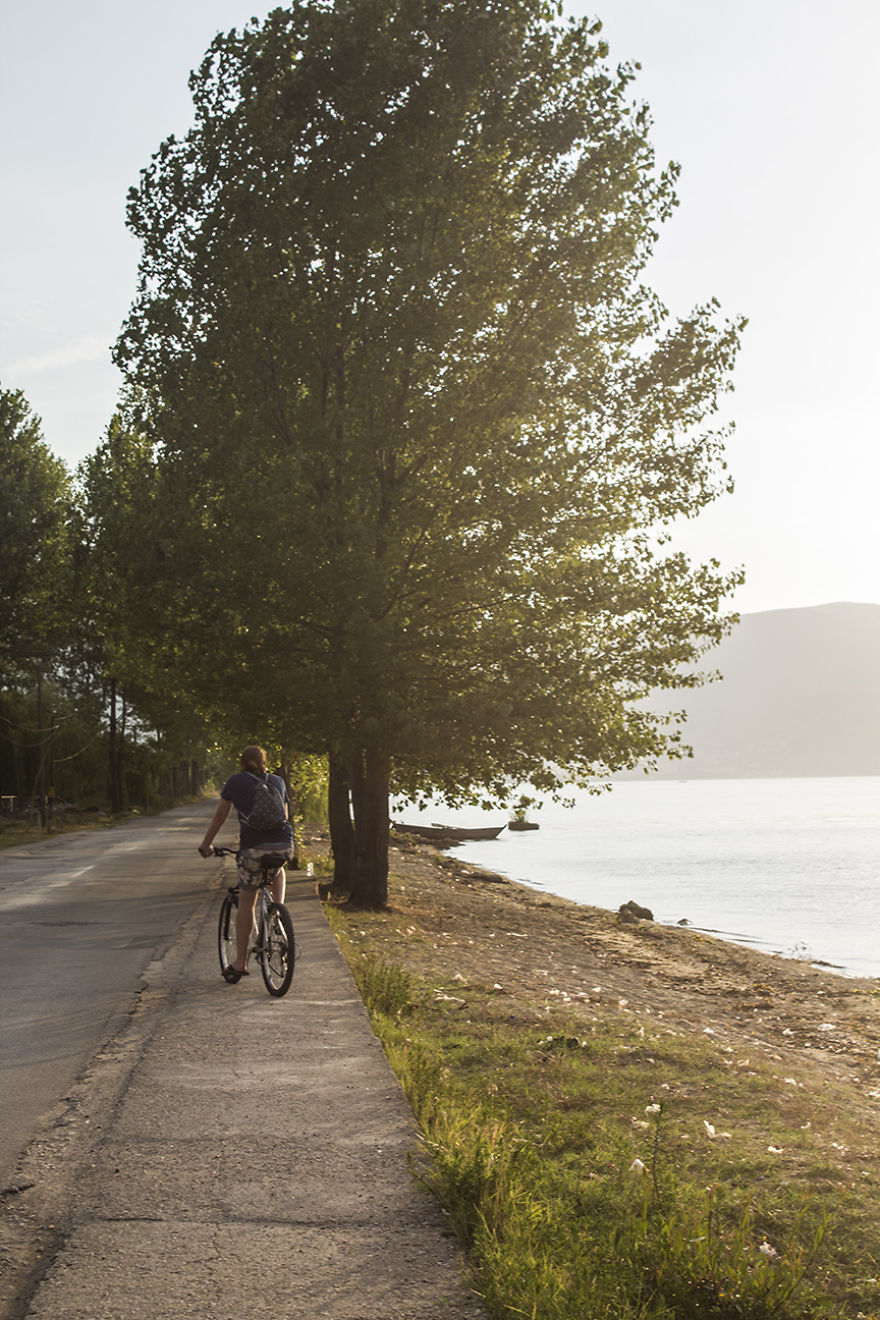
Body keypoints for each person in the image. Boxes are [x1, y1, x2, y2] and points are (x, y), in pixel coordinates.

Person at [199, 745, 293, 982]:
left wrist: (206, 845)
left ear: (241, 762)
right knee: (278, 870)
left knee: (247, 900)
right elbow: (285, 816)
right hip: (283, 845)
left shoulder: (234, 781)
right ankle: (276, 913)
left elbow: (219, 816)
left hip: (253, 848)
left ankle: (240, 962)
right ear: (264, 761)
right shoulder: (277, 781)